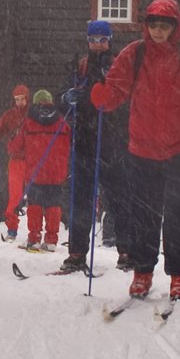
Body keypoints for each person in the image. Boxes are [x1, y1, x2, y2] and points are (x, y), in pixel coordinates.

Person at [91, 0, 180, 301]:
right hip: (143, 147)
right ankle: (143, 271)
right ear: (147, 26)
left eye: (163, 25)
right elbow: (116, 87)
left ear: (174, 26)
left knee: (179, 213)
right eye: (153, 25)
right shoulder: (135, 53)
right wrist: (104, 96)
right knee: (144, 214)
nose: (157, 31)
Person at [60, 20, 131, 273]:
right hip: (84, 142)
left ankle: (126, 252)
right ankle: (77, 253)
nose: (97, 44)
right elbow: (63, 96)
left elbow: (129, 98)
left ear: (110, 40)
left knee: (119, 200)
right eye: (93, 40)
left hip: (114, 143)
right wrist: (67, 97)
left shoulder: (119, 65)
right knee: (81, 200)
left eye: (102, 40)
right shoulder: (79, 65)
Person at [20, 90, 71, 252]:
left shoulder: (29, 122)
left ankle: (34, 238)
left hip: (35, 172)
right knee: (53, 205)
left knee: (34, 205)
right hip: (56, 172)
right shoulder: (62, 122)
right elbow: (71, 144)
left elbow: (16, 146)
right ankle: (51, 240)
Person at [0, 84, 30, 241]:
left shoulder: (32, 115)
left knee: (34, 196)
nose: (19, 102)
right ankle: (12, 230)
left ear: (27, 98)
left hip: (31, 159)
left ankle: (36, 232)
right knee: (14, 196)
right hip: (15, 159)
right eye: (17, 99)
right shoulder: (10, 115)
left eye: (22, 99)